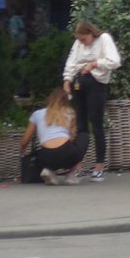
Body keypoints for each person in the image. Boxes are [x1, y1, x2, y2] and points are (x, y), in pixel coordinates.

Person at [61, 20, 121, 182]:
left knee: (96, 123)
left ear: (91, 34)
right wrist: (67, 80)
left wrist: (94, 64)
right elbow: (71, 61)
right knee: (80, 125)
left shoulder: (104, 39)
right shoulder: (78, 44)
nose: (81, 42)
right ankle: (78, 165)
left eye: (83, 39)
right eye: (79, 40)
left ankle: (99, 166)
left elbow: (114, 61)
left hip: (96, 83)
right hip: (78, 82)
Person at [20, 88, 89, 185]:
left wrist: (22, 151)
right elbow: (72, 138)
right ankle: (71, 175)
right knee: (84, 136)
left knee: (43, 151)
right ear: (66, 101)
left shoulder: (37, 114)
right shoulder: (70, 113)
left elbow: (25, 140)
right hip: (67, 153)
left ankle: (49, 170)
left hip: (46, 156)